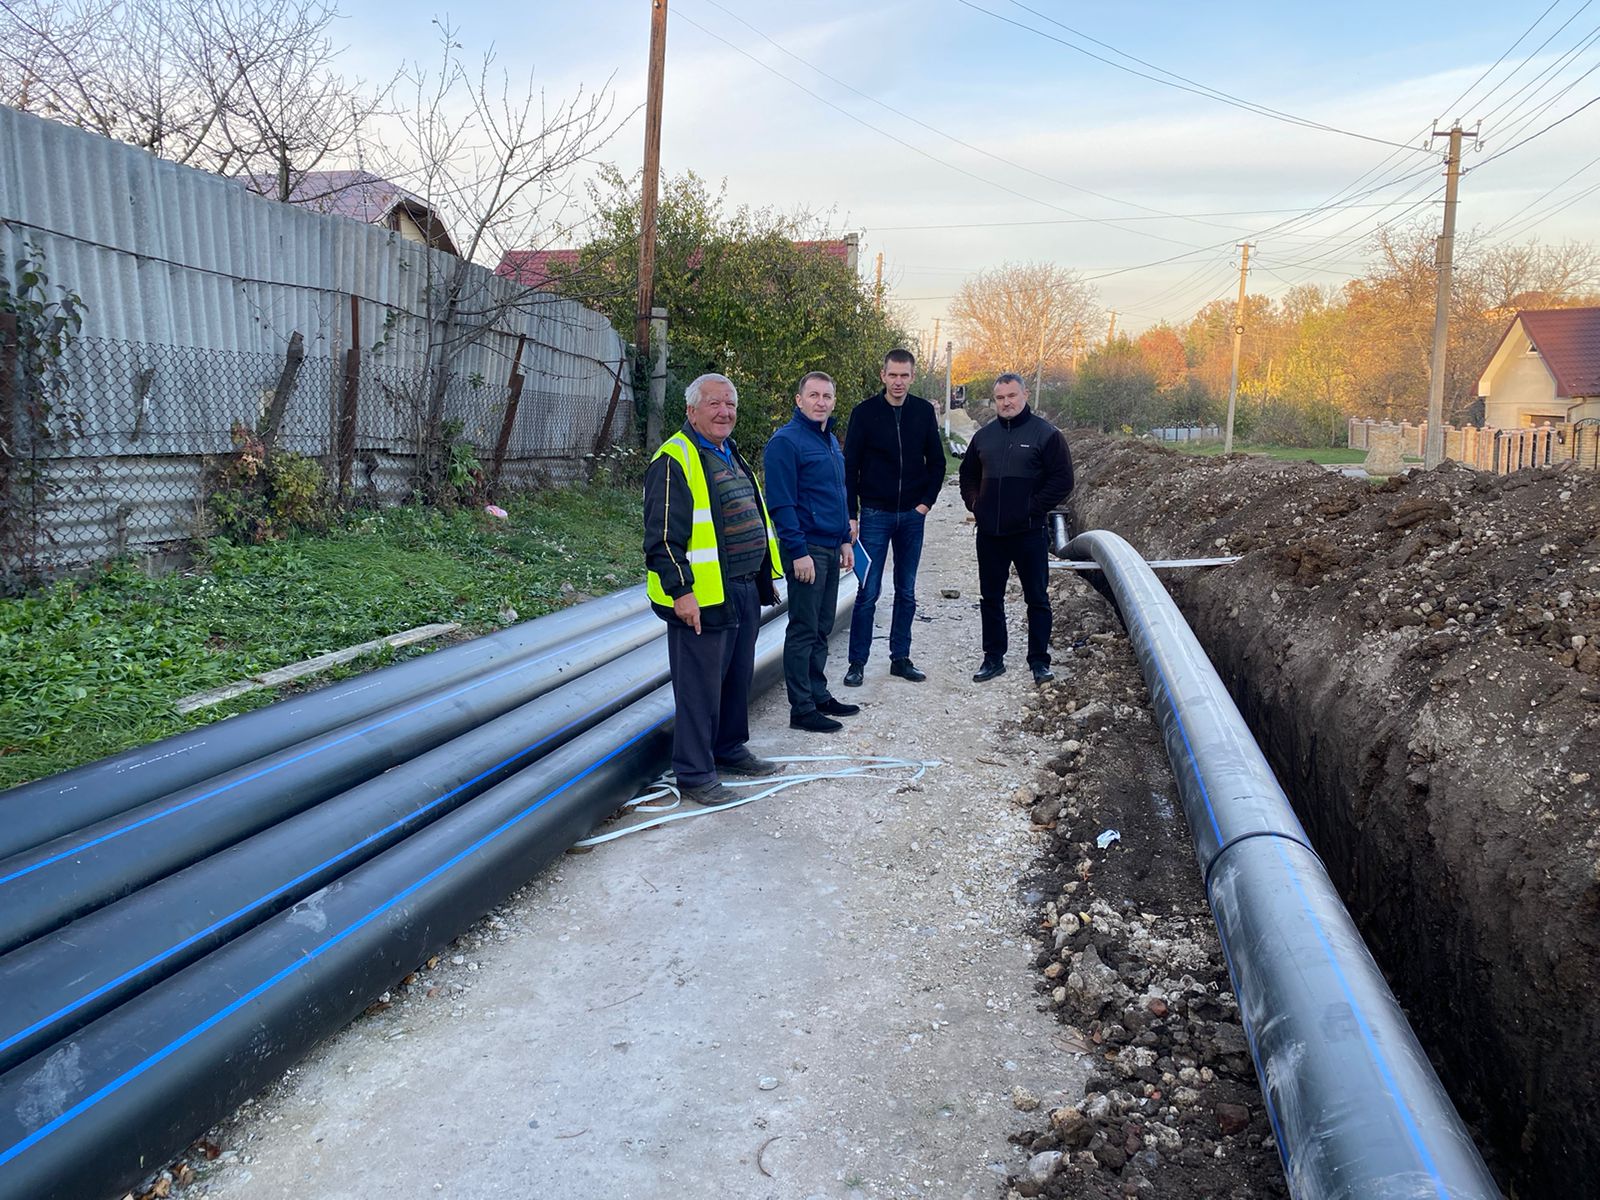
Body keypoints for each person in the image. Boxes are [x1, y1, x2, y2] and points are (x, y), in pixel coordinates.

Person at [643, 373, 784, 806]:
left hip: (738, 588)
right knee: (698, 688)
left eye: (730, 404)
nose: (725, 412)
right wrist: (681, 592)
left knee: (735, 678)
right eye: (714, 404)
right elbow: (662, 537)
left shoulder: (728, 452)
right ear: (692, 410)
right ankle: (694, 772)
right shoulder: (675, 458)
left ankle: (727, 748)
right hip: (701, 597)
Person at [958, 372, 1074, 685]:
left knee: (1036, 598)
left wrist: (1030, 508)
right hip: (991, 535)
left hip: (1029, 533)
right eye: (1000, 398)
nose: (1006, 402)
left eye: (1012, 396)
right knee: (990, 597)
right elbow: (967, 474)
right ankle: (993, 658)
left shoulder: (1046, 434)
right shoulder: (984, 436)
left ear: (1024, 395)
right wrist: (975, 504)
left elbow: (1063, 480)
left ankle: (1039, 661)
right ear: (994, 400)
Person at [841, 348, 946, 687]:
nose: (898, 382)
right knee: (868, 591)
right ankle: (857, 663)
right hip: (874, 514)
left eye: (905, 375)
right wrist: (852, 515)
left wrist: (925, 504)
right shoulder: (865, 413)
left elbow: (938, 463)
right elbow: (850, 466)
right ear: (883, 375)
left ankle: (900, 658)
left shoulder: (922, 413)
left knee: (907, 590)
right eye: (893, 375)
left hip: (912, 517)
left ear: (912, 377)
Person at [762, 372, 859, 733]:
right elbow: (782, 504)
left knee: (822, 625)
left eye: (827, 396)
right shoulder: (786, 442)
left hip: (830, 545)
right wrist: (798, 551)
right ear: (798, 399)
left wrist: (844, 539)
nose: (821, 402)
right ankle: (801, 709)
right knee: (803, 628)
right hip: (806, 549)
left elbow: (837, 494)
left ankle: (818, 694)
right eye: (814, 395)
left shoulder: (830, 440)